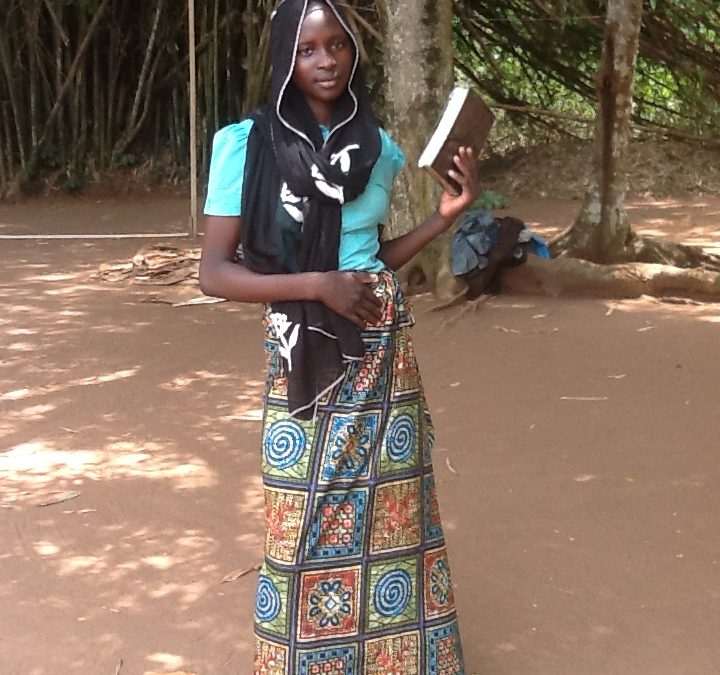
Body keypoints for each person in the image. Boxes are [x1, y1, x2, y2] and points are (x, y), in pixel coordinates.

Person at [199, 1, 480, 672]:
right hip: (304, 347)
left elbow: (373, 257)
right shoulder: (248, 144)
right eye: (308, 49)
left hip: (383, 348)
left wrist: (443, 218)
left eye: (337, 46)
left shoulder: (376, 146)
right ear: (285, 58)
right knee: (301, 516)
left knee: (393, 512)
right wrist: (316, 285)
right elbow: (213, 273)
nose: (326, 61)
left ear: (354, 51)